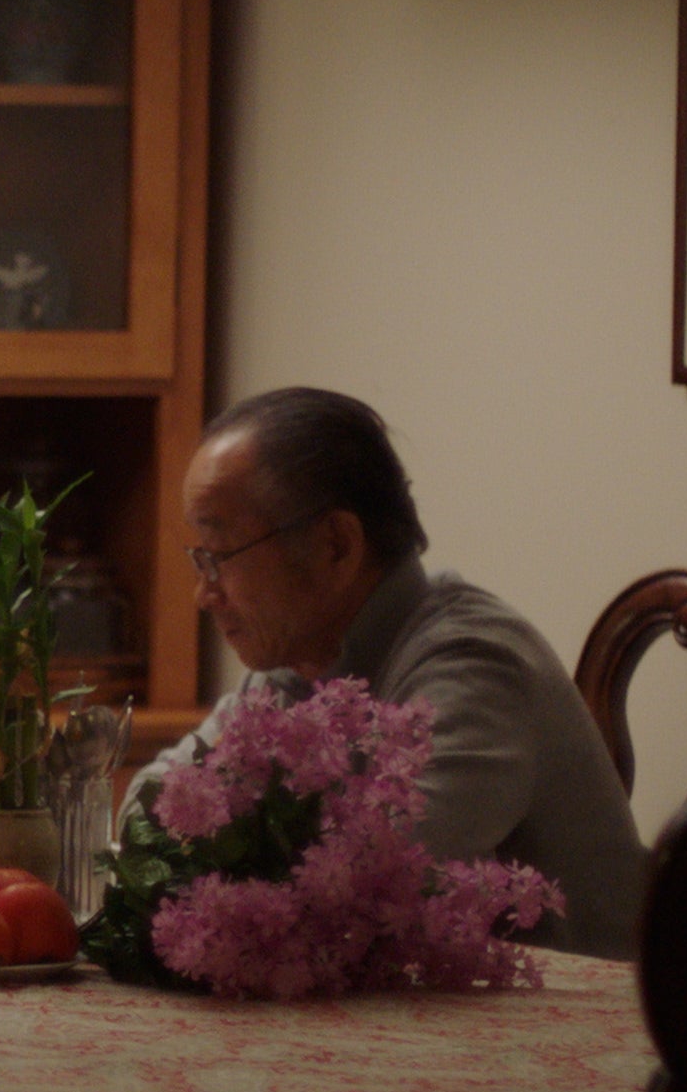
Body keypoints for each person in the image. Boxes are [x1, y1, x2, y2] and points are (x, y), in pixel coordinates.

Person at [133, 386, 650, 960]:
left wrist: (207, 856)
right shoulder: (295, 665)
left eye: (219, 555)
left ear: (336, 546)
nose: (203, 594)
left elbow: (350, 893)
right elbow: (147, 806)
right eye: (197, 557)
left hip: (582, 1033)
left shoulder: (477, 668)